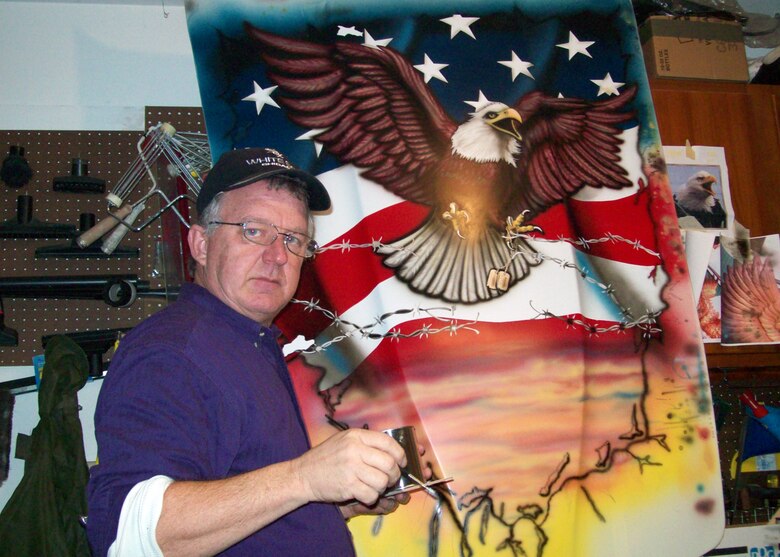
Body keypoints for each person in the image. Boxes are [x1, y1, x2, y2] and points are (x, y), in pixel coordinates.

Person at [86, 147, 417, 557]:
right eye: (253, 230)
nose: (277, 256)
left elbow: (247, 500)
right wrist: (305, 479)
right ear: (201, 244)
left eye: (293, 239)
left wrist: (330, 503)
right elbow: (127, 539)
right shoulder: (171, 352)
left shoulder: (250, 343)